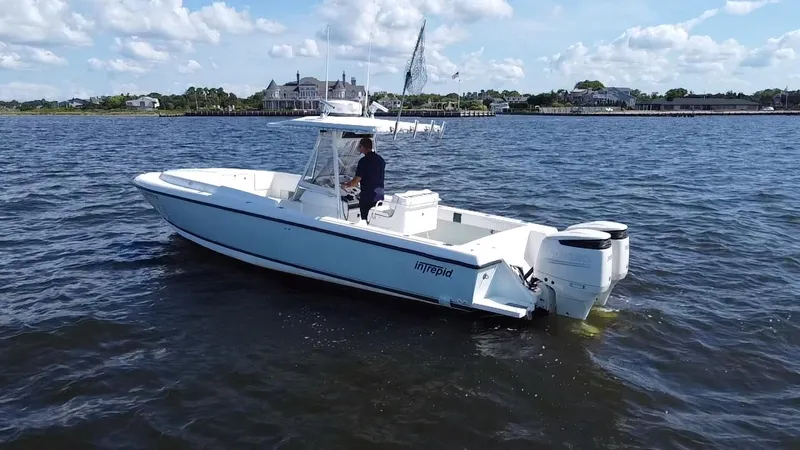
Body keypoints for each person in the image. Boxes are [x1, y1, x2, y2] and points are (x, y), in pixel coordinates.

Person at [341, 137, 385, 221]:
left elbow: (355, 182)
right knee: (374, 220)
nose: (358, 148)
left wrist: (345, 185)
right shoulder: (381, 160)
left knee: (365, 220)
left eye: (359, 146)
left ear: (363, 147)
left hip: (367, 198)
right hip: (379, 196)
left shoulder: (363, 161)